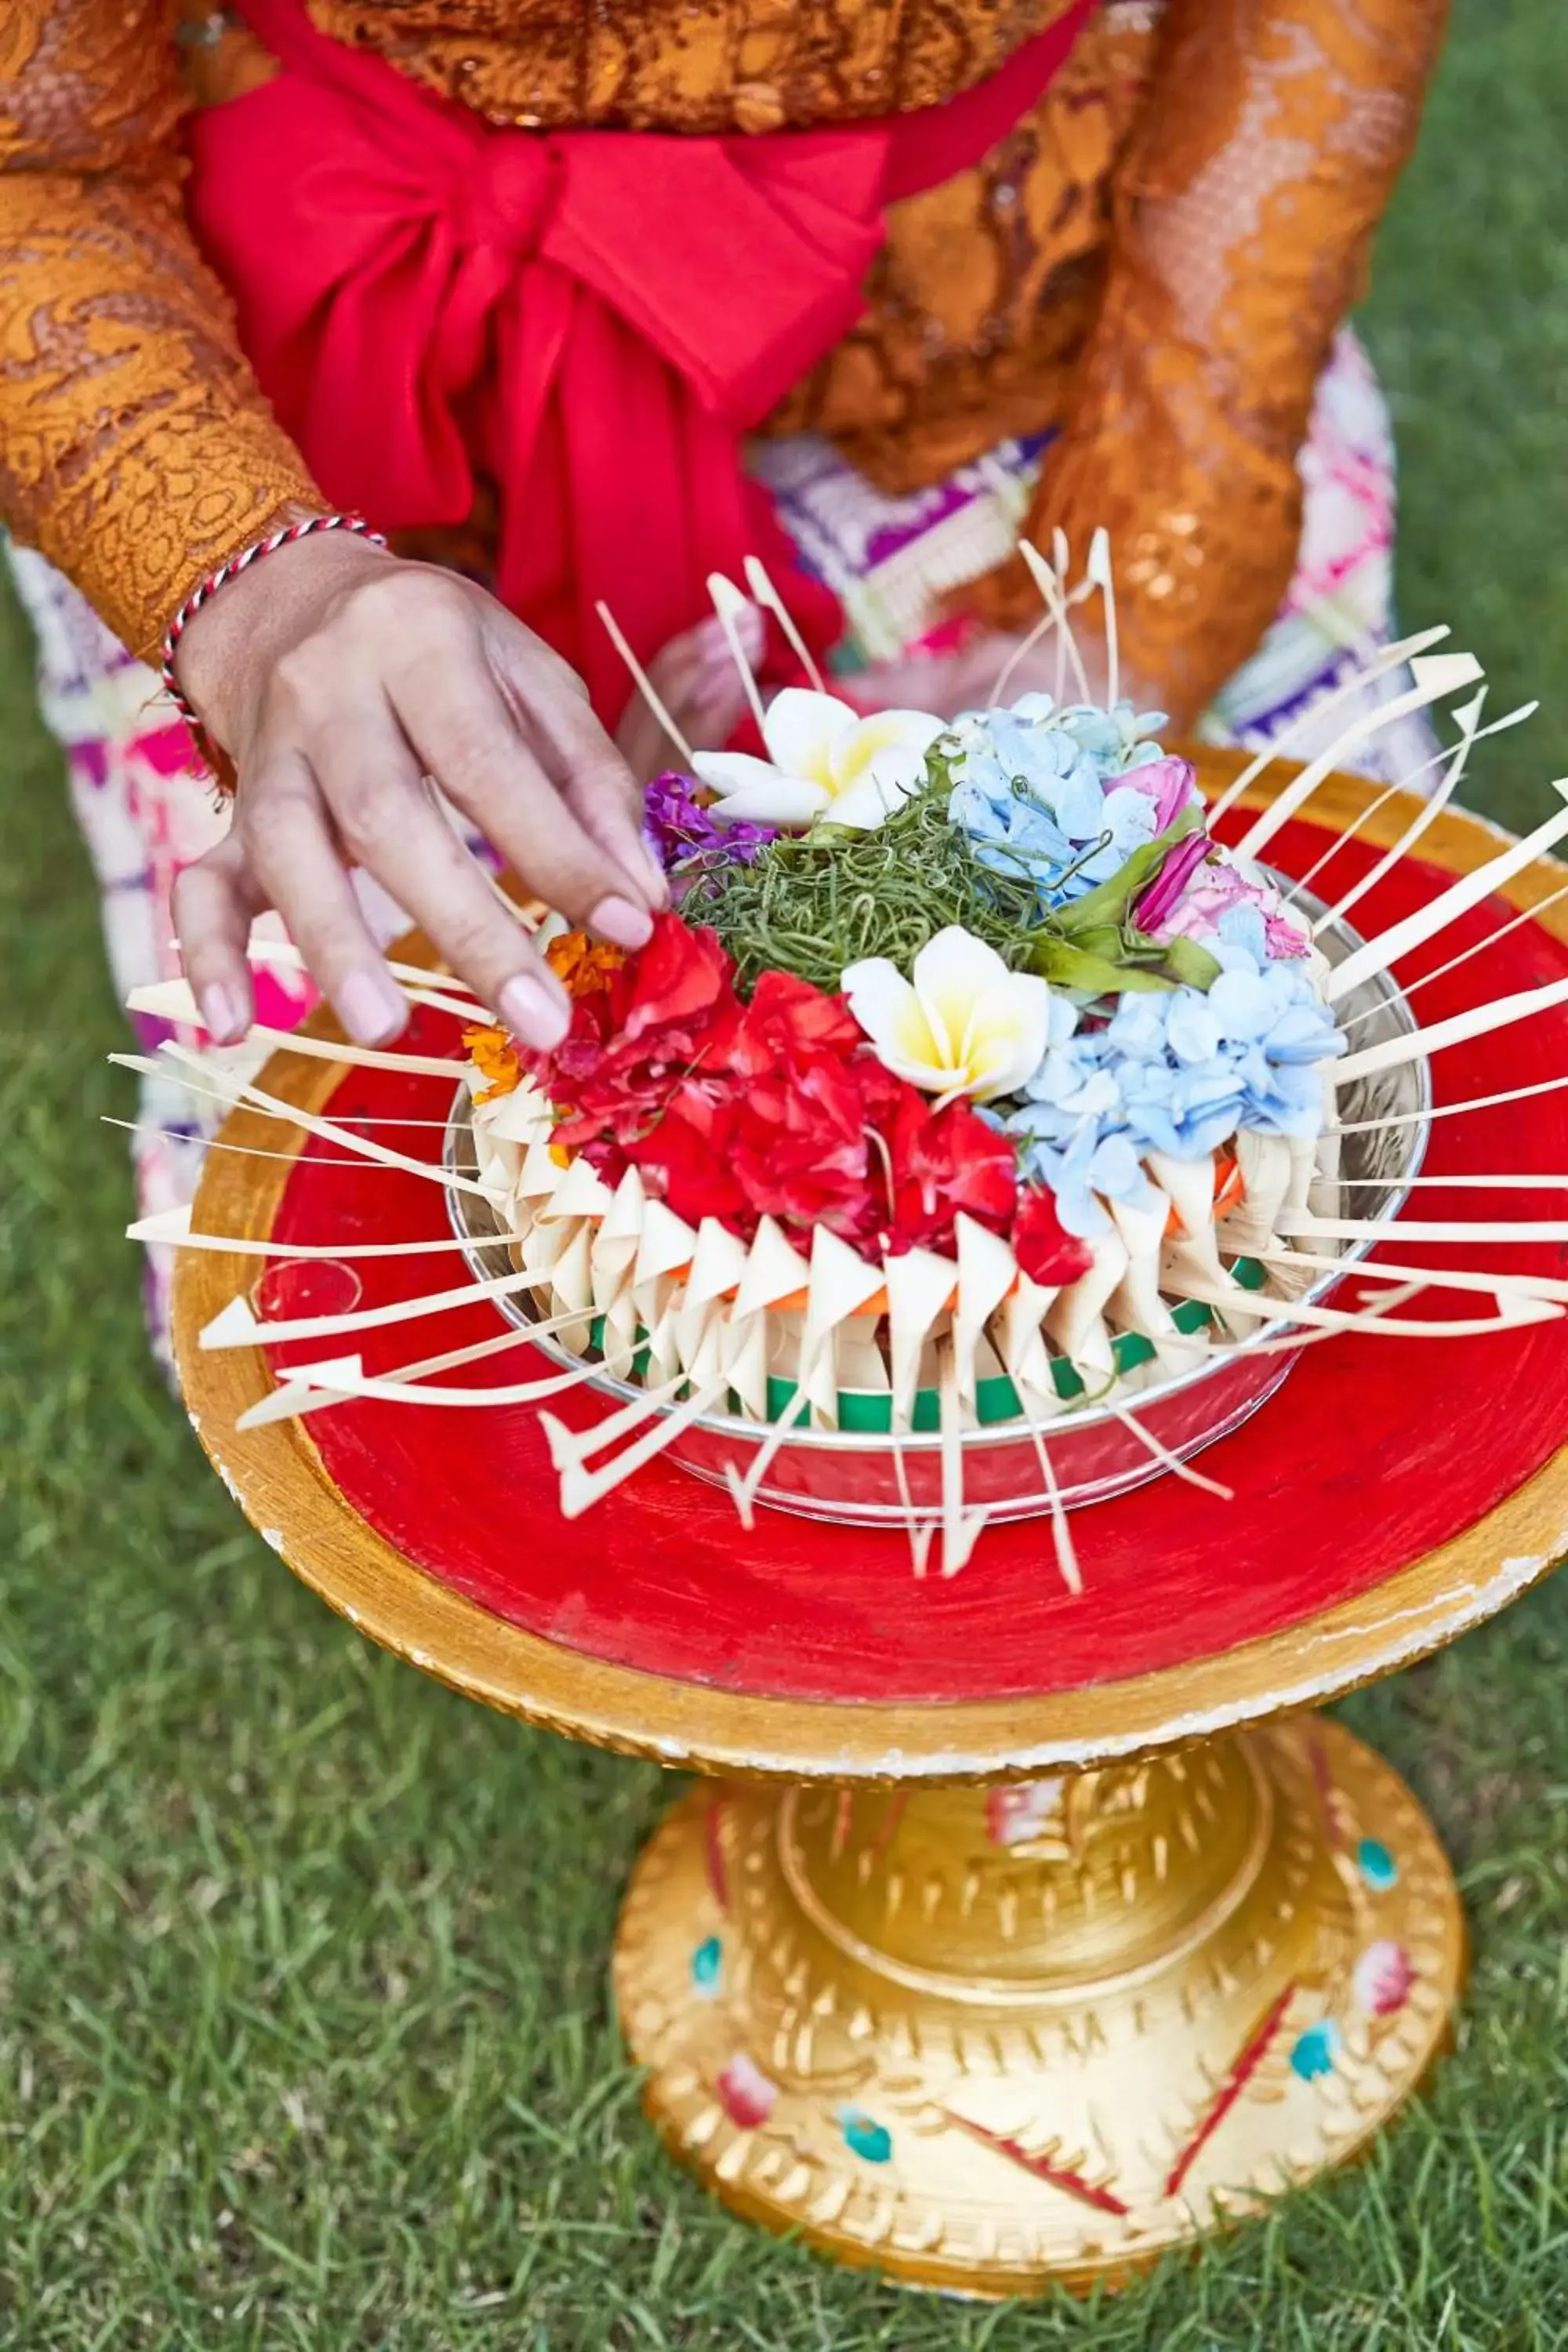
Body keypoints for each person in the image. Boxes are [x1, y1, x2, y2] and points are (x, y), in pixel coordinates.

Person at [1, 0, 1446, 1349]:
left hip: (1011, 329)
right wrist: (256, 591)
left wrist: (1149, 576)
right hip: (338, 429)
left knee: (1304, 1160)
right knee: (361, 1275)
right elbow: (33, 164)